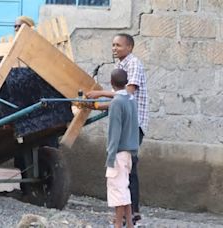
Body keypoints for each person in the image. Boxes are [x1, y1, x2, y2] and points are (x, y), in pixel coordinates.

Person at [86, 33, 149, 224]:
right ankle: (129, 218)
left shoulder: (133, 64)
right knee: (126, 172)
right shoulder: (119, 66)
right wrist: (97, 104)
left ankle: (125, 216)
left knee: (124, 175)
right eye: (113, 45)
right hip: (127, 120)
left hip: (133, 123)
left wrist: (99, 95)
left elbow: (125, 94)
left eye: (119, 45)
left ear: (129, 47)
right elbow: (119, 98)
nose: (114, 48)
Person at [106, 68, 139, 228]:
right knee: (124, 188)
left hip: (118, 152)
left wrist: (110, 156)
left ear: (111, 83)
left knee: (117, 190)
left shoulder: (116, 103)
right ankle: (130, 223)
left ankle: (118, 224)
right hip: (129, 151)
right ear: (126, 83)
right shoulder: (131, 99)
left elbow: (114, 132)